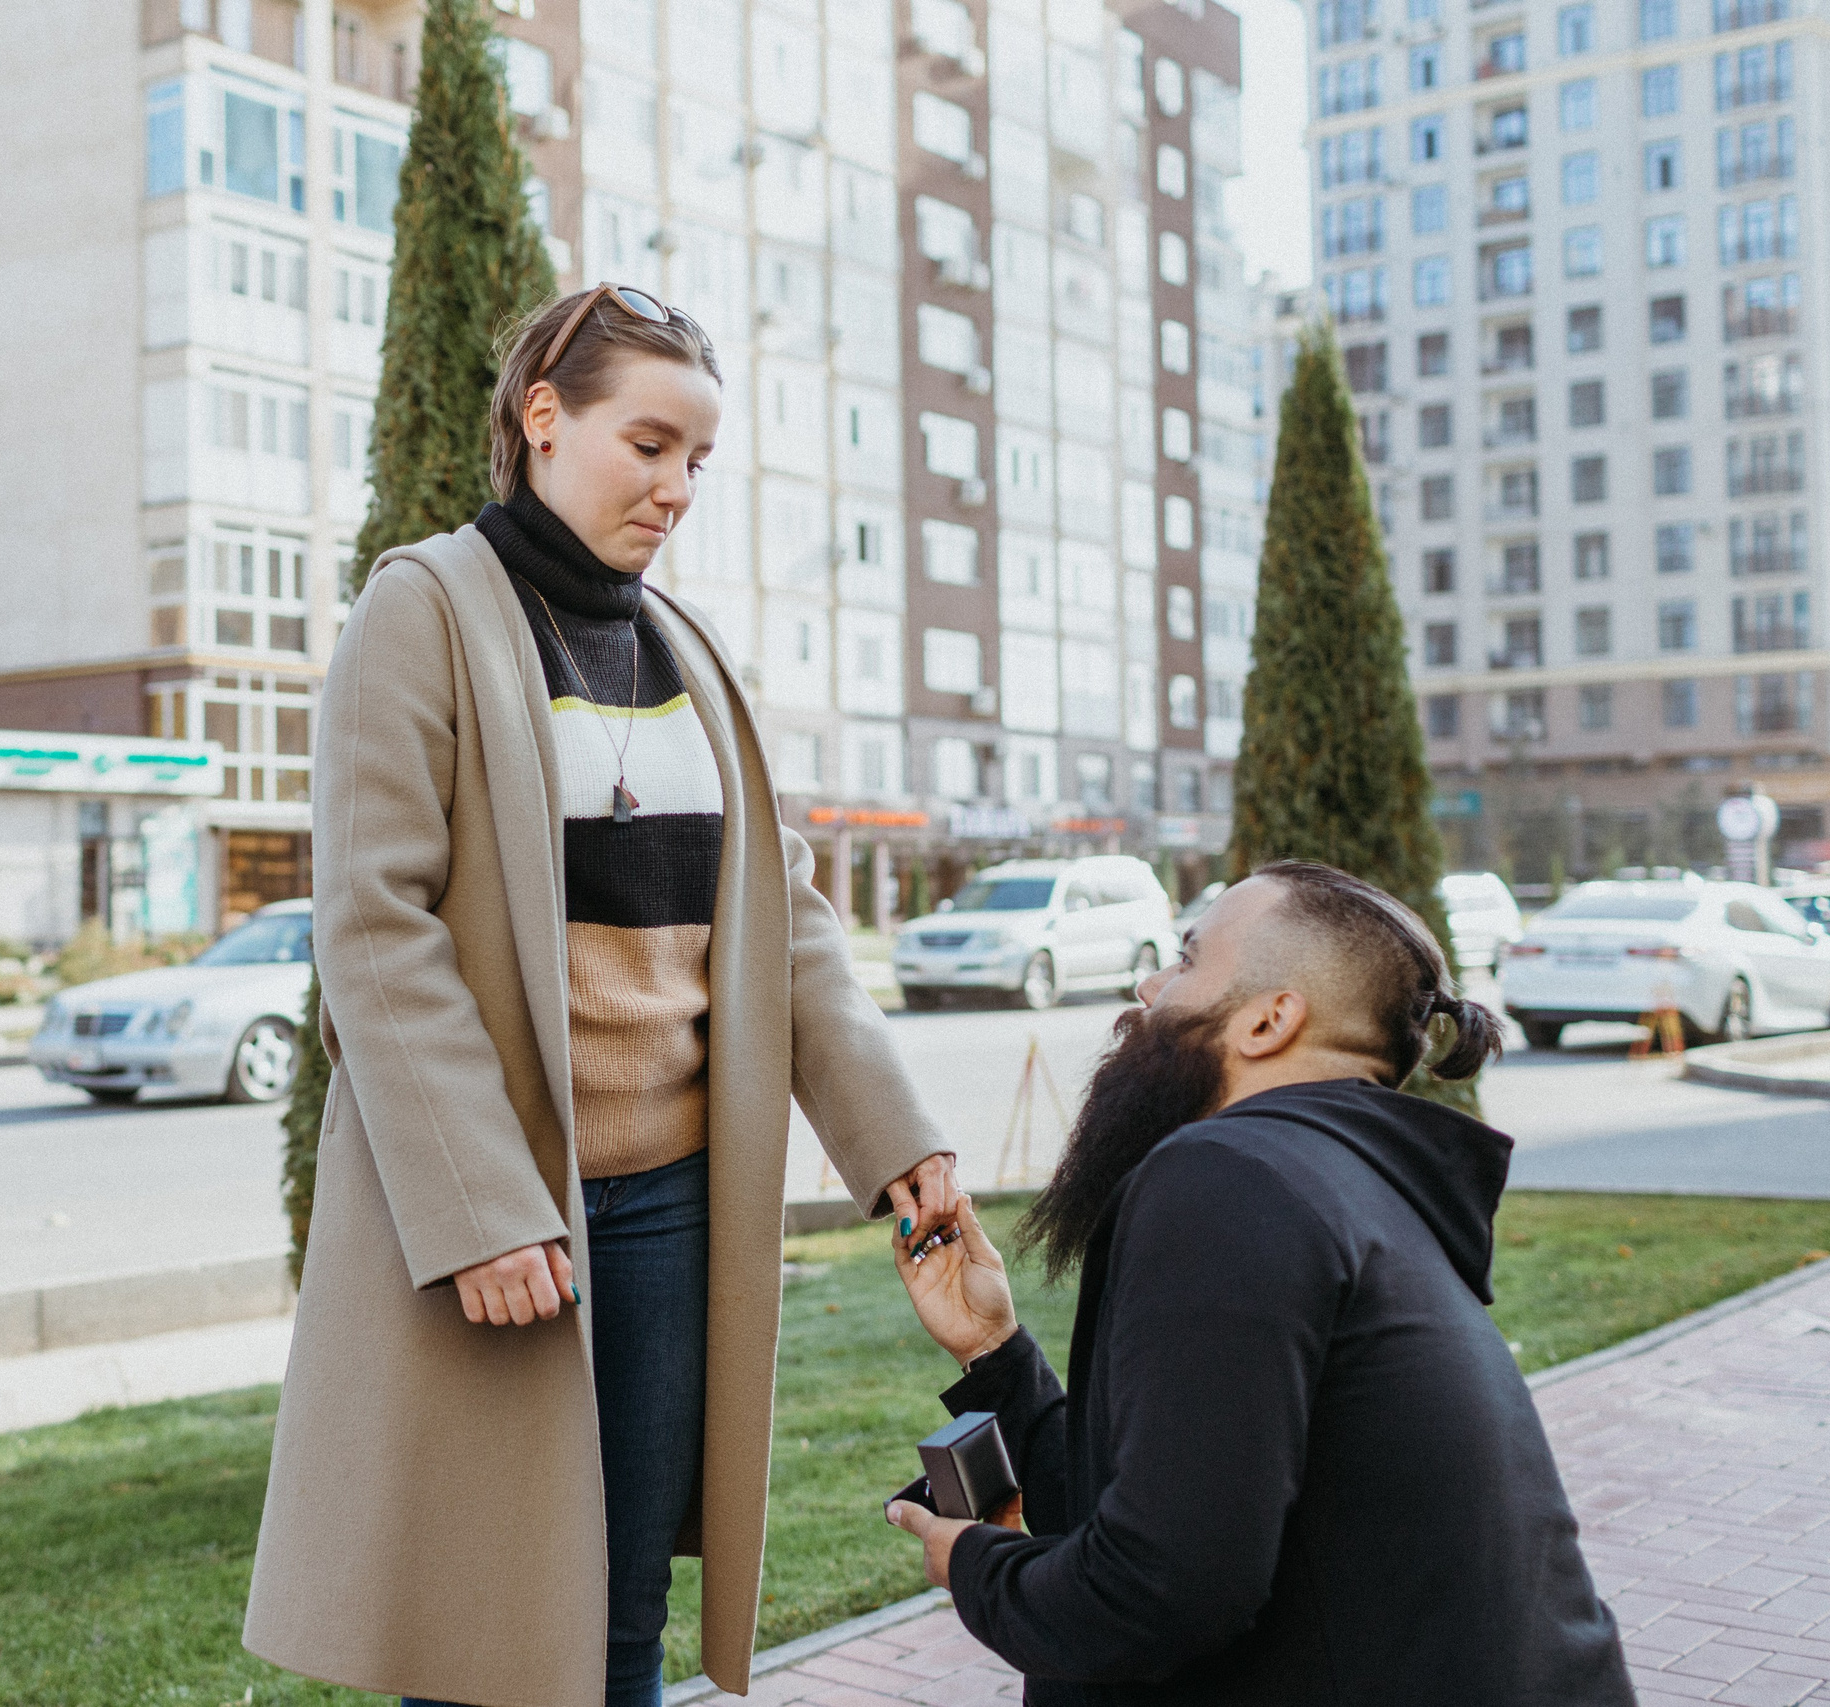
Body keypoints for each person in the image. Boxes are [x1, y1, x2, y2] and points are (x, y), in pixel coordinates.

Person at [242, 284, 959, 1707]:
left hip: (675, 1206)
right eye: (650, 444)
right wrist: (485, 1204)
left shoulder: (682, 649)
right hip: (510, 1216)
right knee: (480, 1621)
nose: (678, 487)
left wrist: (900, 1139)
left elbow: (785, 917)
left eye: (699, 459)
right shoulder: (424, 607)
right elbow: (374, 928)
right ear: (544, 419)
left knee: (618, 1615)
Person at [884, 861, 1636, 1706]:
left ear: (1270, 1019)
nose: (1149, 983)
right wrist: (996, 1351)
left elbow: (1155, 1596)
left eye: (1188, 959)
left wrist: (975, 1564)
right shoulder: (1347, 1184)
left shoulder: (1225, 1176)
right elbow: (1172, 1508)